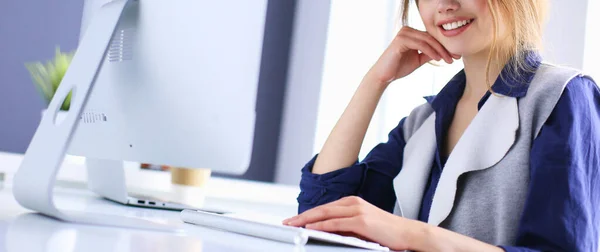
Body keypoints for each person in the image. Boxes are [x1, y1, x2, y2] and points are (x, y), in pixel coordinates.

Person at [282, 0, 600, 251]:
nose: (444, 4)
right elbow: (319, 218)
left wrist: (416, 236)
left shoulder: (564, 95)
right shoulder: (422, 122)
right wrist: (376, 81)